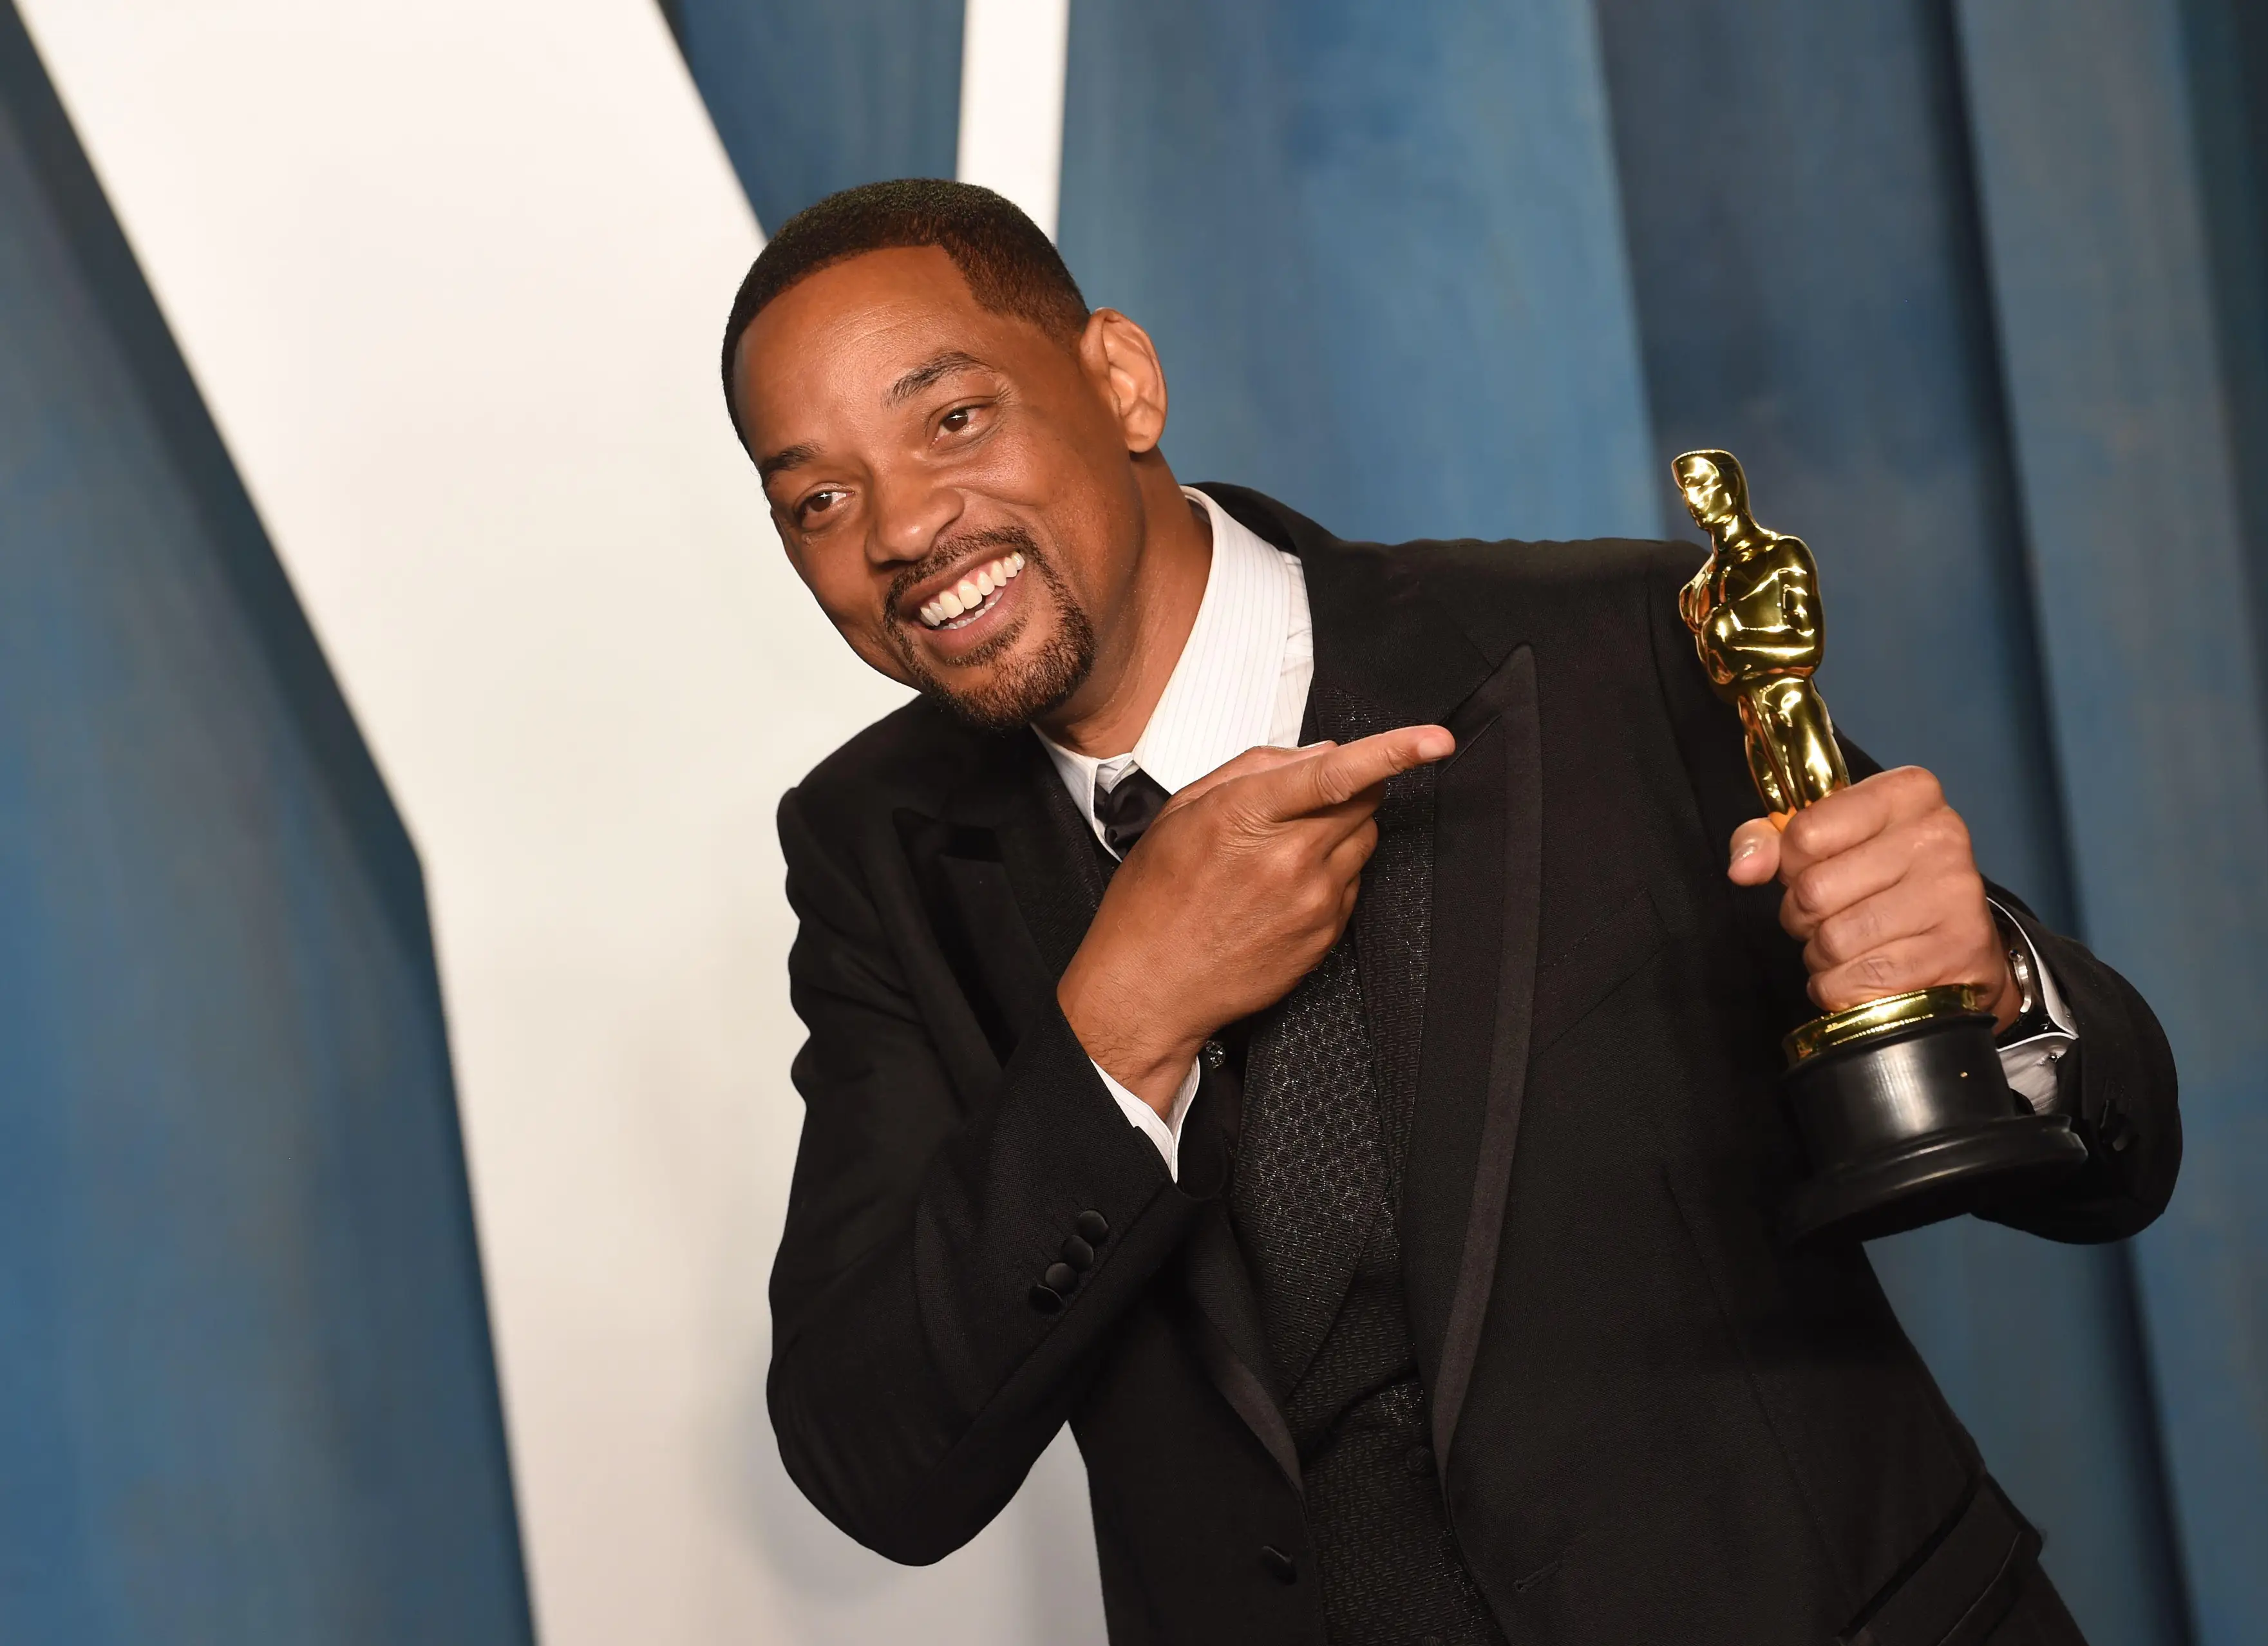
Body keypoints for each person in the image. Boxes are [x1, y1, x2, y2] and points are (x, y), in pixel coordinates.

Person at [726, 179, 2177, 1646]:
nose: (905, 525)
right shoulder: (873, 854)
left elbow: (2115, 1160)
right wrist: (1121, 1028)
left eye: (953, 418)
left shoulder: (1614, 650)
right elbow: (877, 1463)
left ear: (1122, 381)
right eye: (820, 499)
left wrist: (1989, 985)